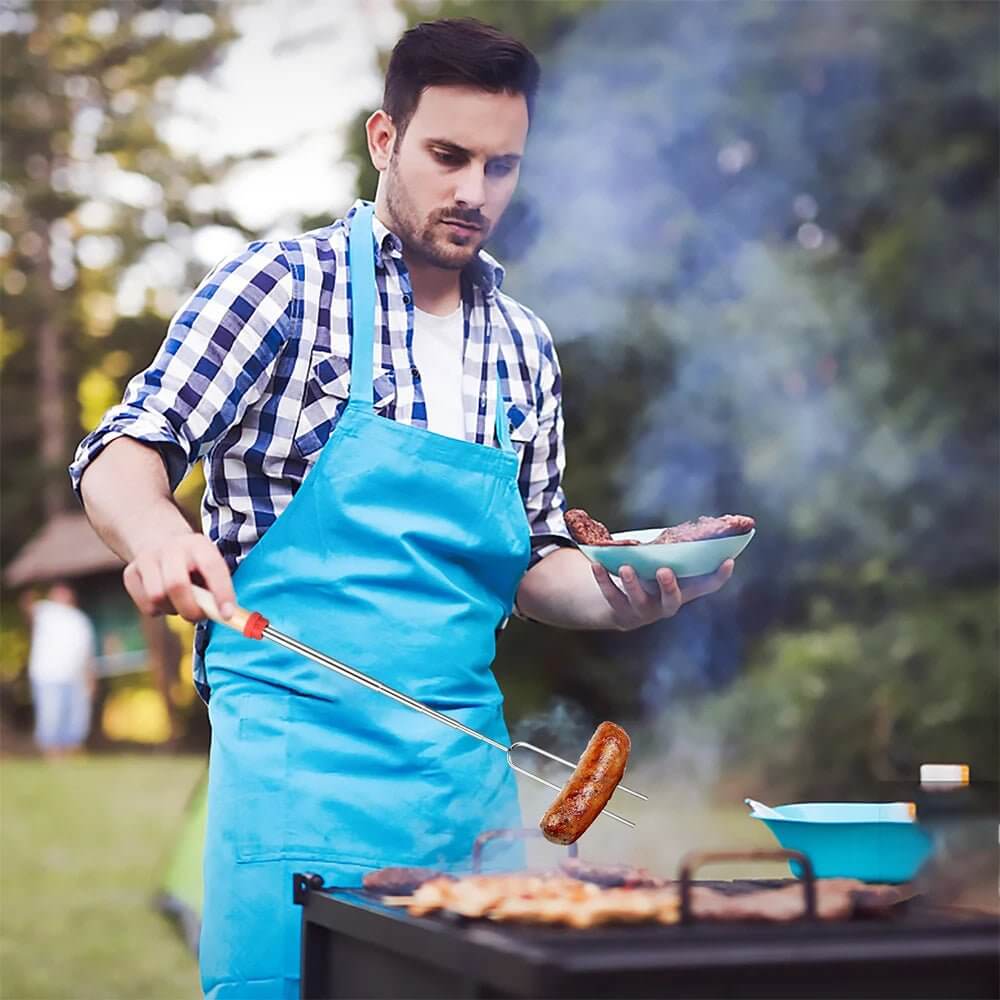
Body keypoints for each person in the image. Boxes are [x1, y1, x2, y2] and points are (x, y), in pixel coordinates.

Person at [71, 18, 735, 998]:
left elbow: (536, 559)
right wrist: (161, 533)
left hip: (467, 796)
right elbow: (121, 450)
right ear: (384, 141)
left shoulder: (524, 348)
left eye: (501, 166)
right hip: (296, 781)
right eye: (447, 155)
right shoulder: (280, 291)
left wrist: (619, 597)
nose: (474, 191)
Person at [22, 582, 96, 758]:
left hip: (74, 676)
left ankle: (71, 752)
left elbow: (87, 654)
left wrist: (90, 679)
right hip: (48, 675)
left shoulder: (80, 620)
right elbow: (28, 609)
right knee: (51, 715)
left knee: (74, 717)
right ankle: (52, 754)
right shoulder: (45, 612)